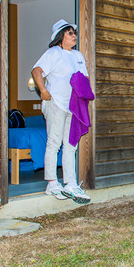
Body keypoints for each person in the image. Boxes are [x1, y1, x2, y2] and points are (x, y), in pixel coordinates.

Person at [31, 19, 91, 204]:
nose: (74, 36)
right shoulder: (53, 53)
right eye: (70, 33)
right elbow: (37, 71)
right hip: (56, 103)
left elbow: (83, 79)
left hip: (73, 106)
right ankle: (52, 183)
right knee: (54, 143)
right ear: (60, 36)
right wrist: (43, 91)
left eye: (74, 33)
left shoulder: (78, 55)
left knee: (71, 144)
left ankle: (71, 183)